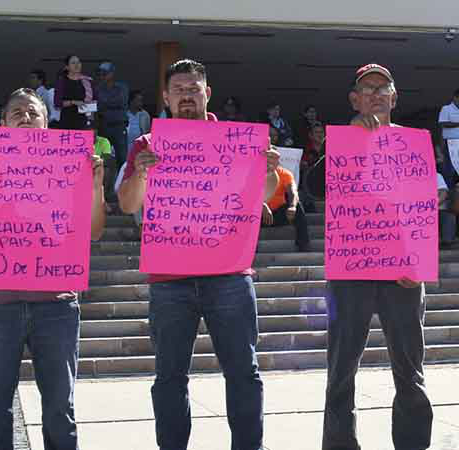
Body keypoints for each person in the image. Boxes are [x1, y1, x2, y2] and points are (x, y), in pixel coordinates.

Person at [117, 59, 265, 450]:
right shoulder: (146, 145)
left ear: (208, 93)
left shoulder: (239, 140)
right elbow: (128, 205)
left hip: (230, 275)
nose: (186, 95)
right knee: (169, 377)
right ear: (165, 97)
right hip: (170, 280)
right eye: (178, 89)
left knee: (243, 373)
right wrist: (142, 175)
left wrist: (267, 171)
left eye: (193, 88)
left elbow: (264, 198)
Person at [0, 88, 106, 450]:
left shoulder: (73, 169)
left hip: (57, 305)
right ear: (2, 123)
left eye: (32, 112)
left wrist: (95, 188)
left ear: (46, 122)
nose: (24, 117)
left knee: (59, 409)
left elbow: (94, 231)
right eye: (16, 112)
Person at [322, 63, 432, 450]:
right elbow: (320, 190)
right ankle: (339, 444)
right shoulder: (340, 142)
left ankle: (413, 443)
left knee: (410, 370)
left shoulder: (415, 144)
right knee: (341, 369)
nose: (374, 94)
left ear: (394, 97)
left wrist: (419, 261)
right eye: (366, 89)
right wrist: (355, 136)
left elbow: (422, 207)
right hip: (349, 271)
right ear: (355, 99)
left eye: (382, 88)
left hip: (403, 274)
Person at [262, 149, 311, 252]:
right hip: (260, 215)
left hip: (278, 214)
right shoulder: (255, 173)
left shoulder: (285, 174)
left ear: (277, 160)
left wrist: (292, 206)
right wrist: (263, 206)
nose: (269, 161)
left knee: (297, 206)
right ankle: (249, 251)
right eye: (268, 158)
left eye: (272, 158)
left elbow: (293, 192)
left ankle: (303, 245)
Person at [94, 61, 130, 169]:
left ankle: (121, 184)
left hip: (119, 127)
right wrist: (107, 103)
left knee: (122, 158)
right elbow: (97, 106)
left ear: (112, 74)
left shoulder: (122, 87)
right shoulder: (98, 89)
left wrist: (104, 103)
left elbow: (121, 101)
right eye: (100, 74)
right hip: (104, 126)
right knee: (103, 158)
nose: (102, 76)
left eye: (104, 73)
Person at [54, 55, 93, 130]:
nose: (77, 65)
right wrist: (73, 102)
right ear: (67, 67)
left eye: (78, 62)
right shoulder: (62, 82)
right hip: (67, 121)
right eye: (73, 63)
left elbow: (95, 100)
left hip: (84, 121)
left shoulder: (87, 81)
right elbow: (57, 103)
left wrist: (91, 121)